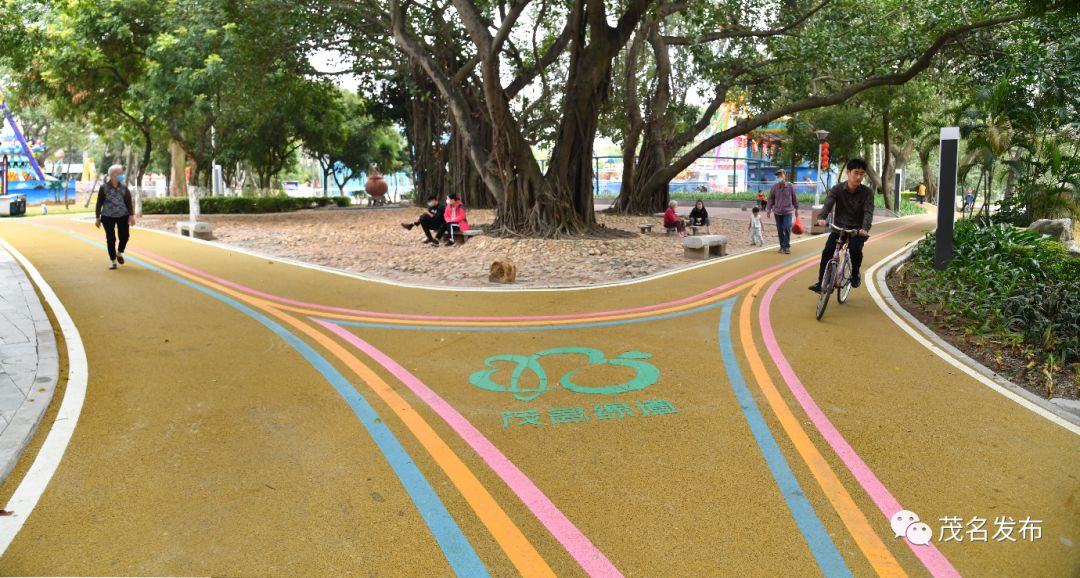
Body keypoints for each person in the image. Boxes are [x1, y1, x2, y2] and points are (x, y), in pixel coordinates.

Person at [808, 158, 874, 293]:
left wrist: (864, 228)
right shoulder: (837, 189)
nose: (859, 177)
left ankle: (855, 273)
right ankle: (822, 283)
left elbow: (868, 212)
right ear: (848, 173)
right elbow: (827, 205)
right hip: (839, 229)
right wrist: (821, 218)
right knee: (827, 252)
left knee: (855, 251)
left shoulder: (867, 193)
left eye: (862, 174)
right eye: (856, 173)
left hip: (857, 230)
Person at [95, 164, 135, 270]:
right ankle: (113, 261)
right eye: (119, 173)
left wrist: (131, 216)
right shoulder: (104, 188)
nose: (121, 175)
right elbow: (99, 203)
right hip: (107, 216)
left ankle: (119, 253)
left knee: (125, 236)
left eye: (122, 173)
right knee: (111, 239)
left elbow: (128, 202)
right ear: (112, 175)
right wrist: (97, 218)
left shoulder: (124, 187)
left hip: (123, 215)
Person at [766, 169, 798, 254]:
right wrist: (768, 210)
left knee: (787, 227)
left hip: (788, 211)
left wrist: (797, 209)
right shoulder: (774, 187)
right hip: (777, 211)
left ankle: (786, 246)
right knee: (780, 229)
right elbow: (770, 199)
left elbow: (794, 198)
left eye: (781, 175)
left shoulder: (790, 186)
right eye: (778, 176)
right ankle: (782, 246)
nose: (779, 177)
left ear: (785, 176)